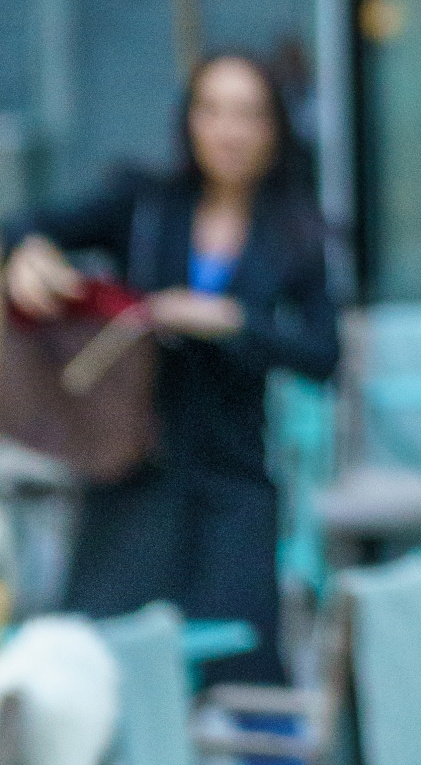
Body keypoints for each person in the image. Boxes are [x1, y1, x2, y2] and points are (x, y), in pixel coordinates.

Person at [2, 51, 339, 687]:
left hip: (233, 475)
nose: (228, 131)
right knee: (99, 664)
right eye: (212, 111)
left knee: (239, 671)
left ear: (273, 129)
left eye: (247, 115)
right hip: (134, 464)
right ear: (190, 122)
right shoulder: (147, 206)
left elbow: (323, 355)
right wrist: (27, 255)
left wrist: (235, 321)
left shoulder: (294, 233)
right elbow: (26, 225)